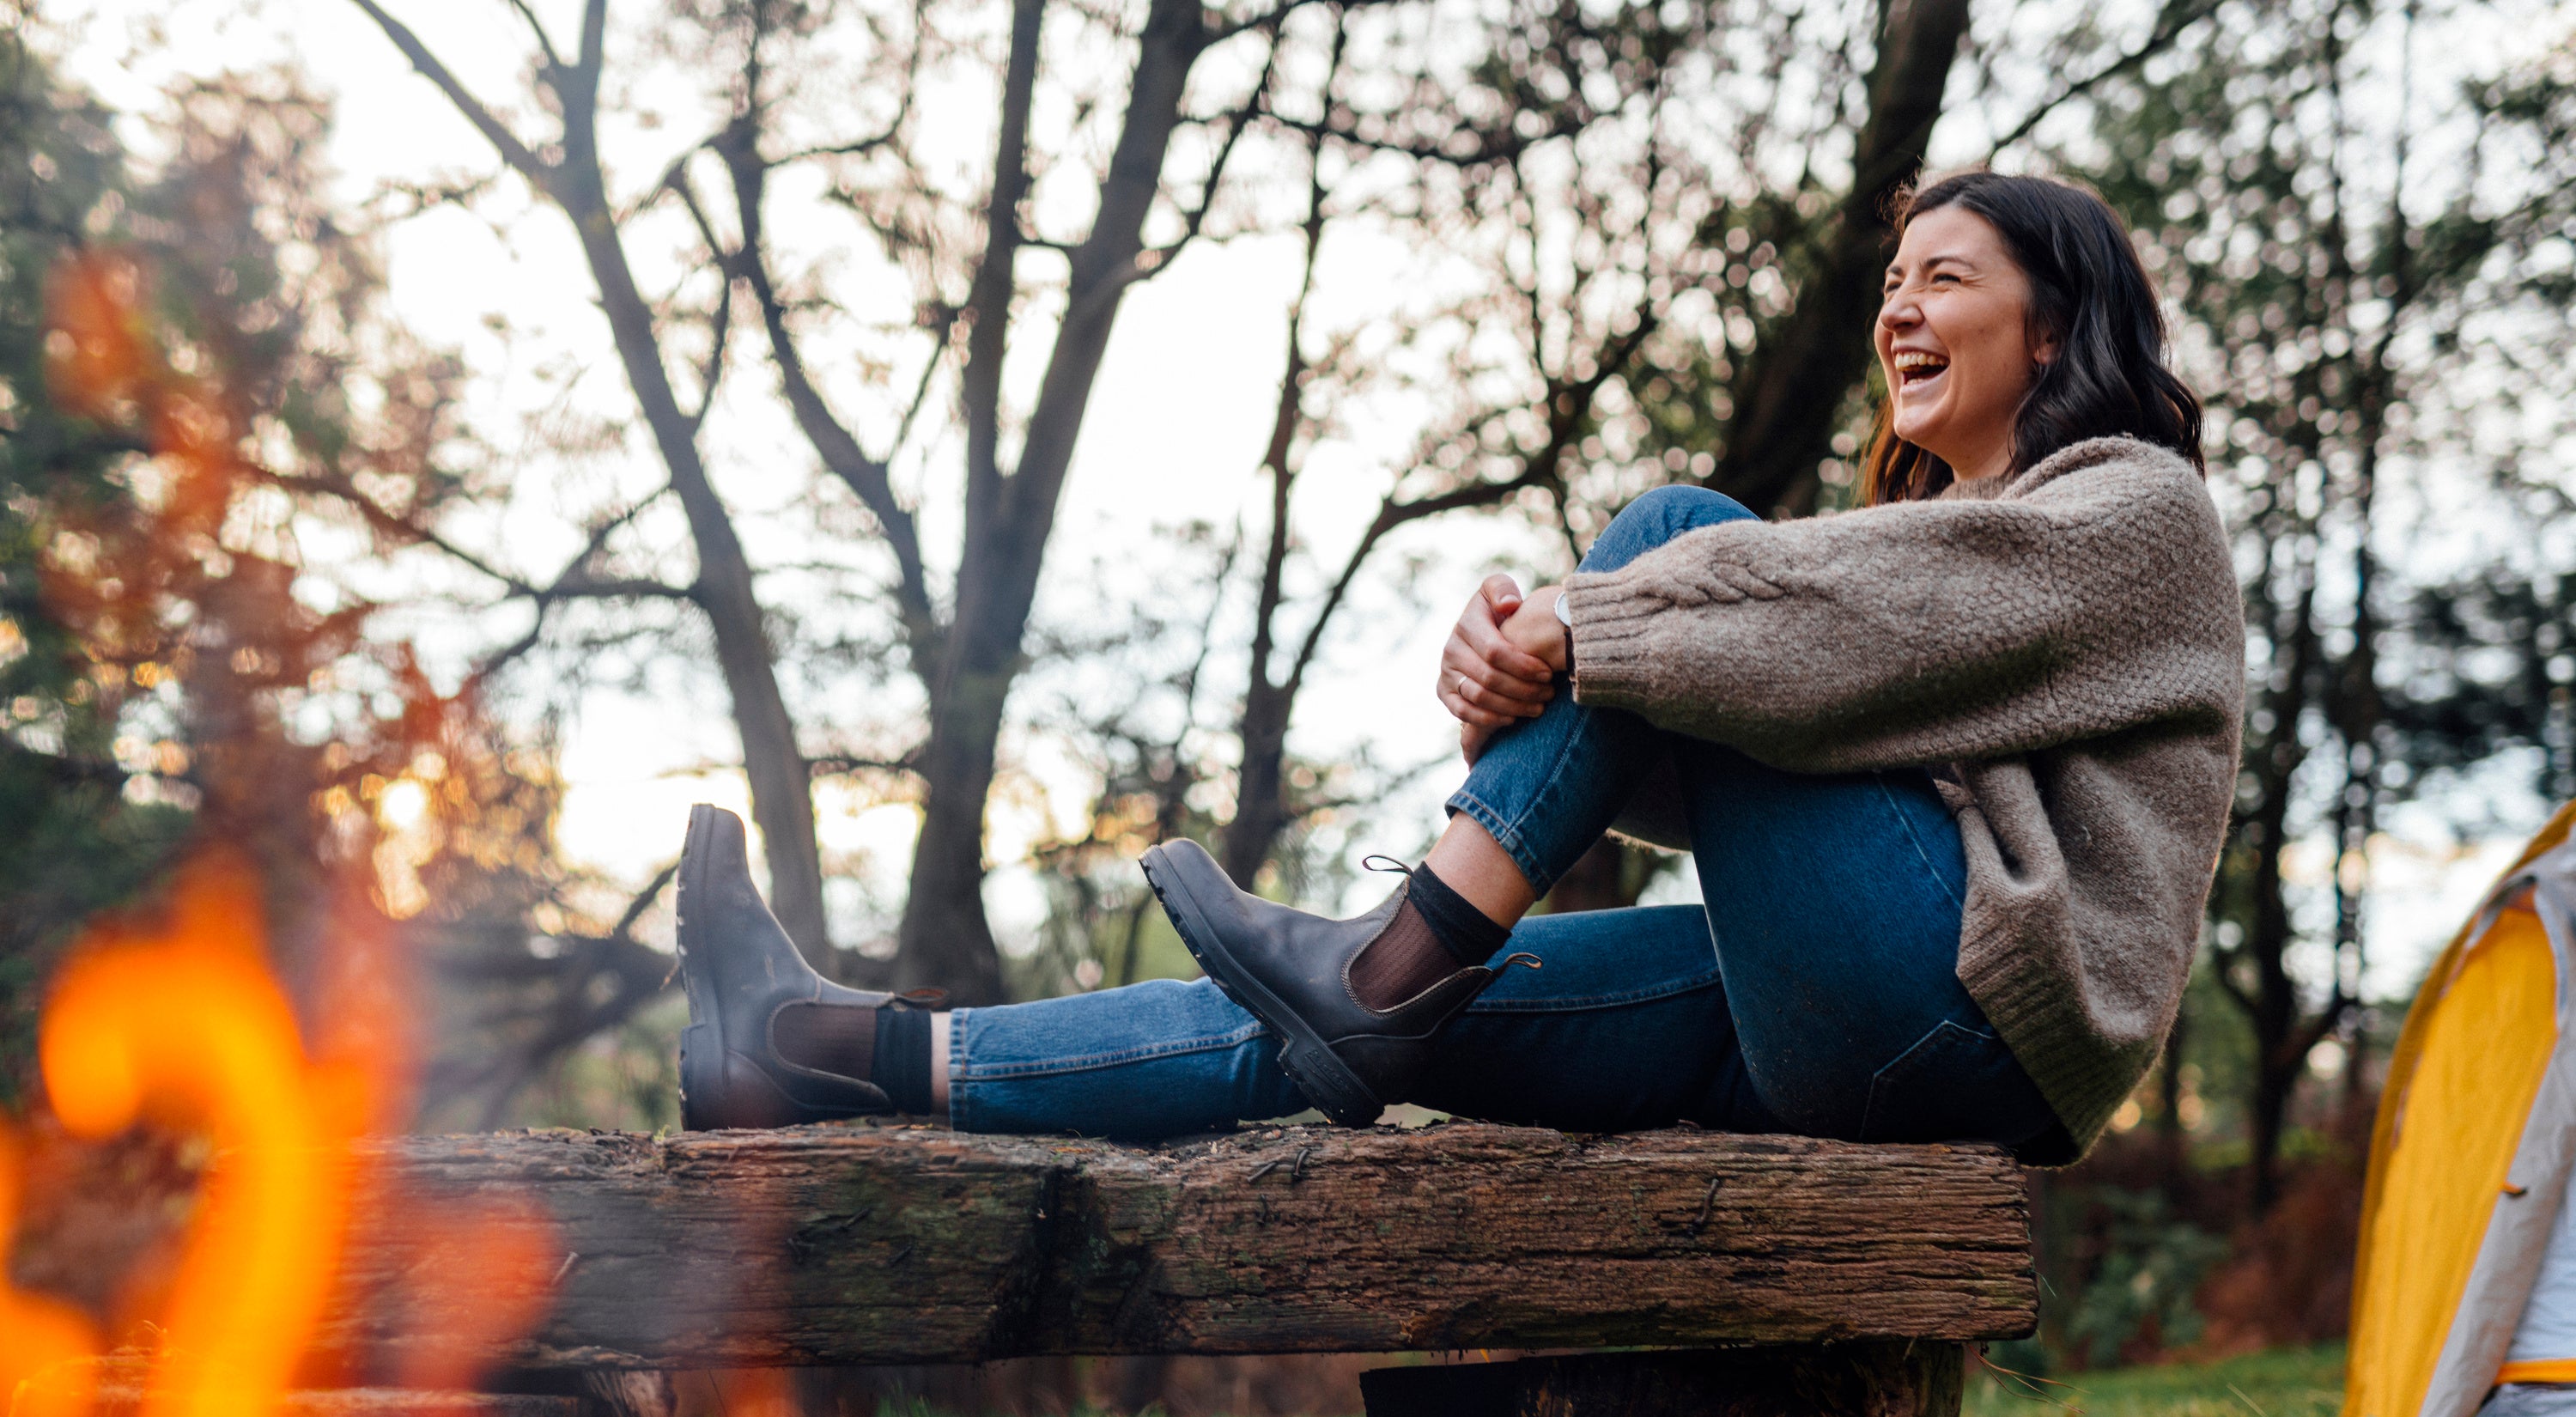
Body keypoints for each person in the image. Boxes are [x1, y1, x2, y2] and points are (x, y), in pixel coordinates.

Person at [674, 171, 2244, 1165]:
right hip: (1864, 1008)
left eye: (1947, 277)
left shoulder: (2134, 515)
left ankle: (1396, 954)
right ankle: (827, 1050)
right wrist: (1557, 680)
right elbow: (1799, 727)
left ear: (2056, 328)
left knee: (1676, 532)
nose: (1900, 305)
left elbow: (1829, 608)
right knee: (1312, 1024)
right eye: (1893, 283)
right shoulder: (1918, 575)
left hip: (1973, 1024)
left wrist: (1591, 622)